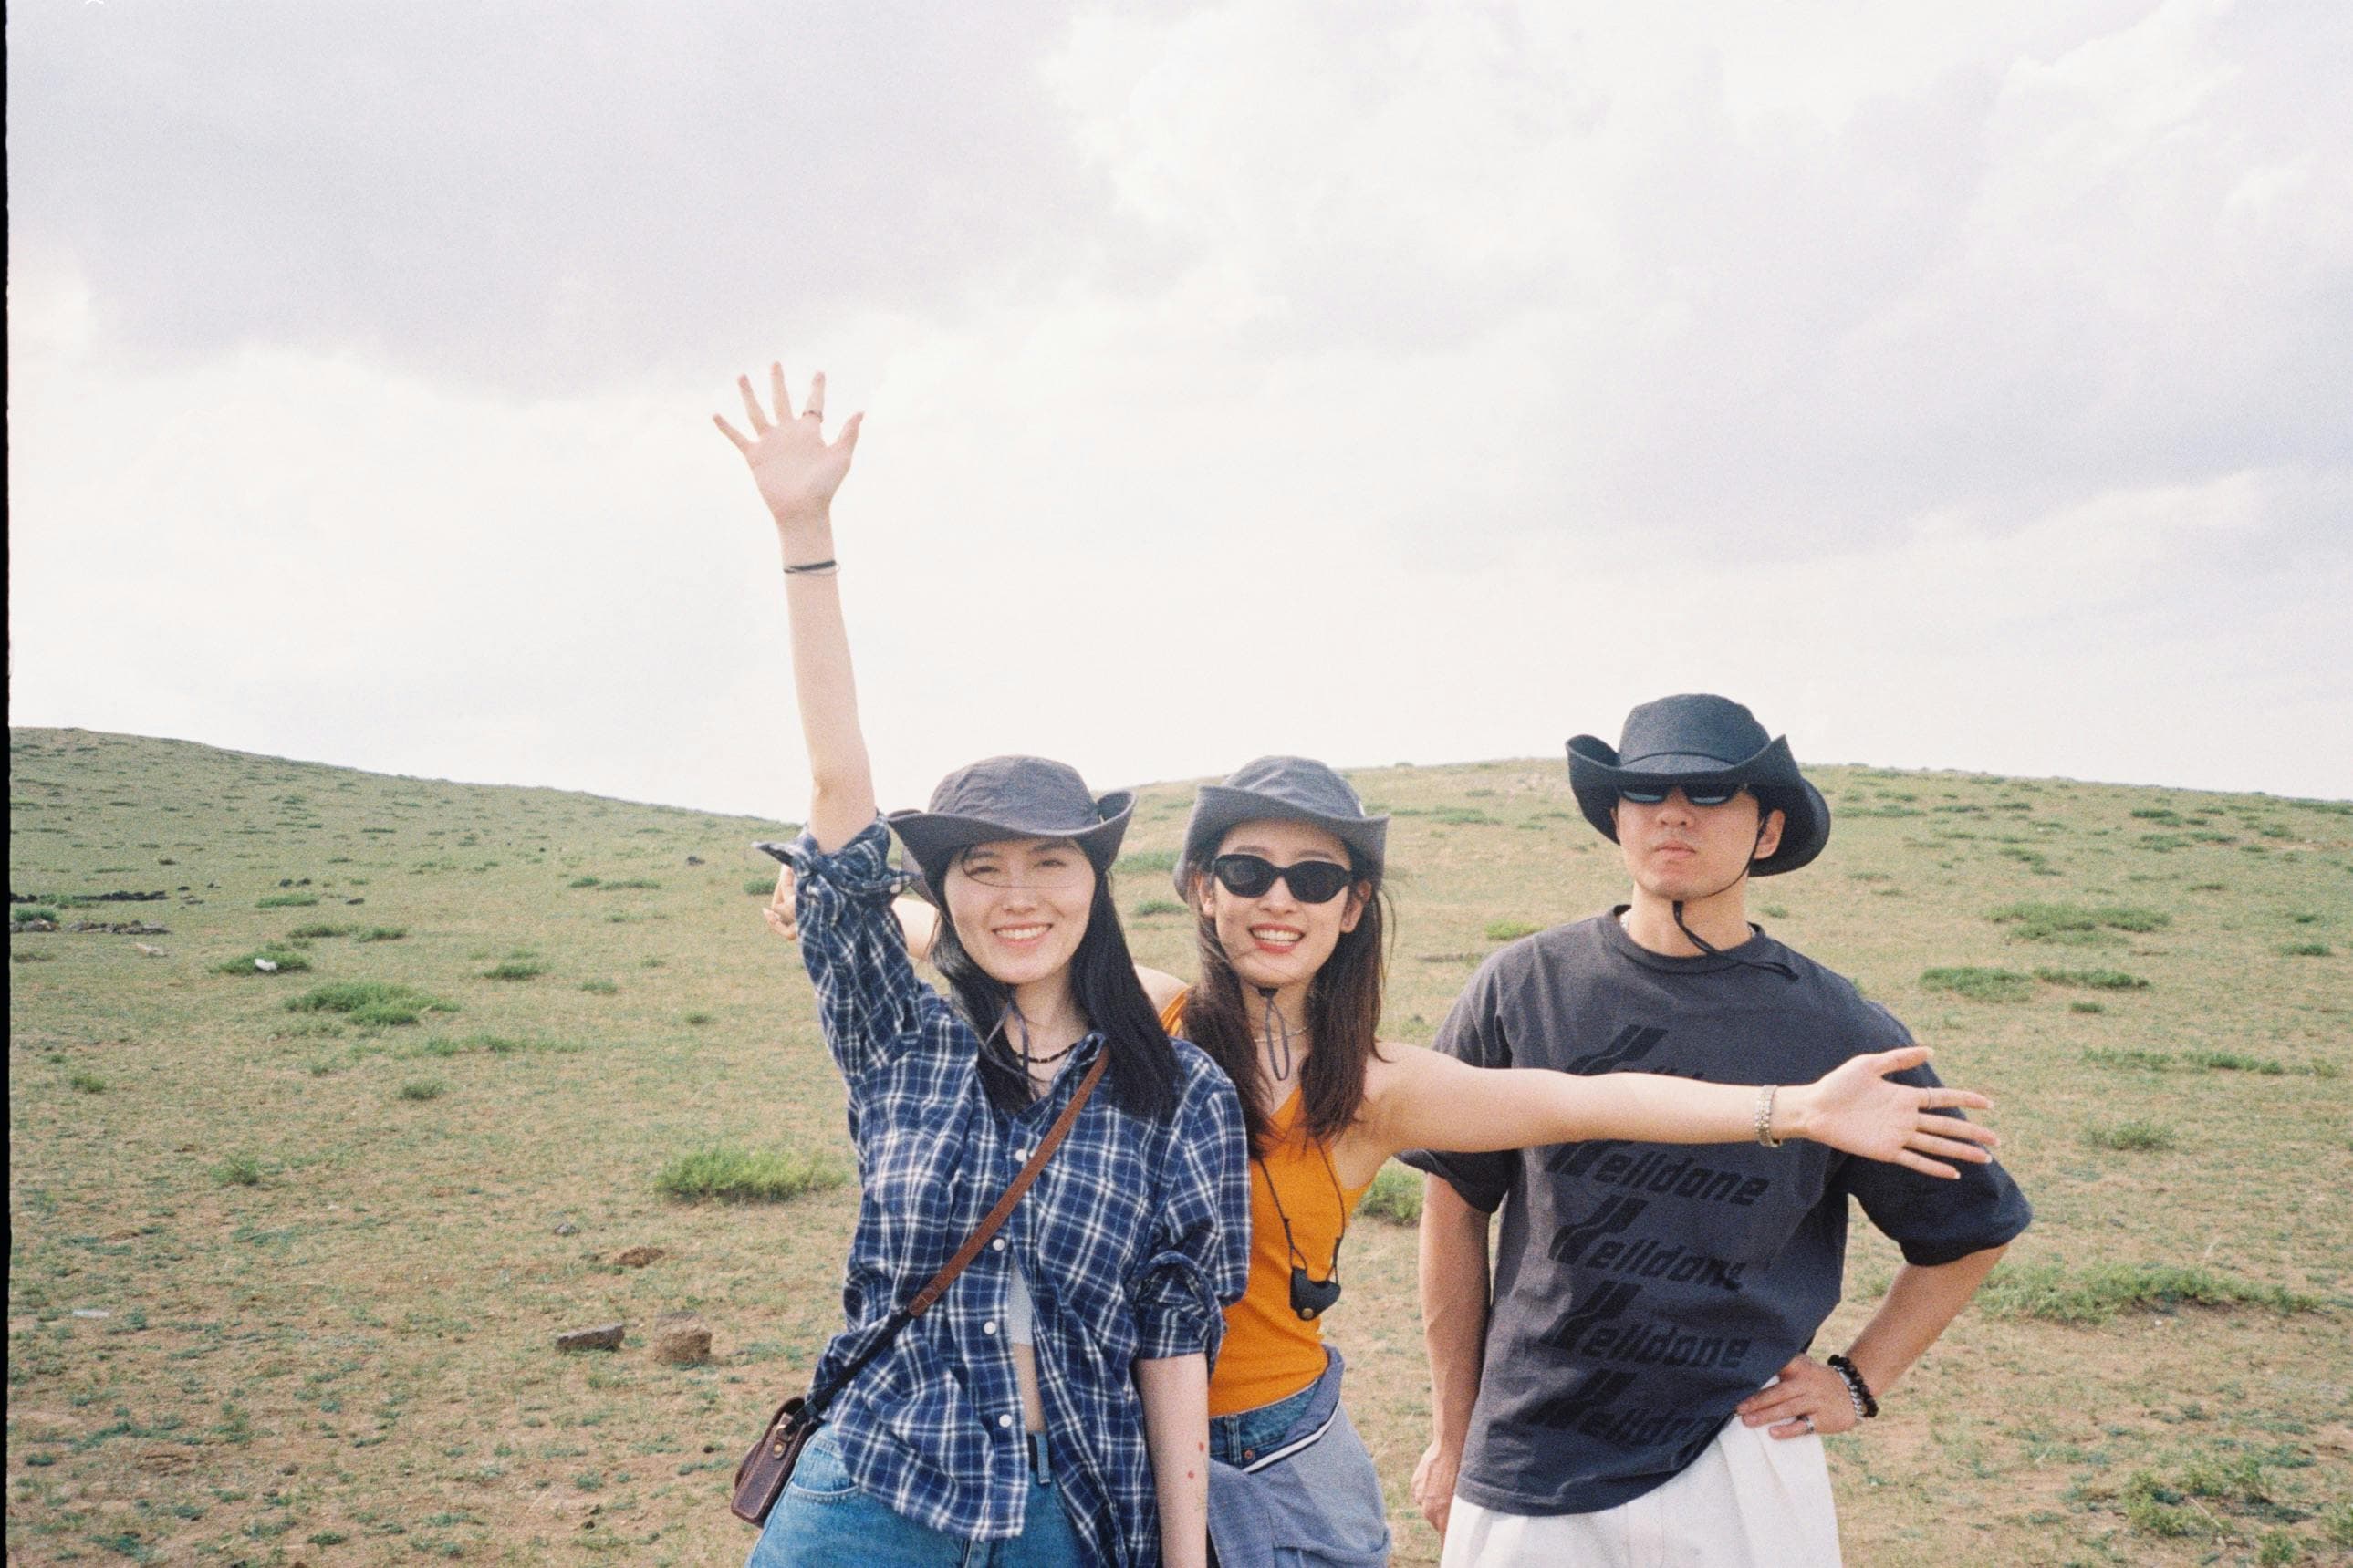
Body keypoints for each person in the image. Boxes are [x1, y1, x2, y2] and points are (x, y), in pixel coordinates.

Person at [776, 753, 2007, 1567]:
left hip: (1276, 1449)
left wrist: (1788, 1105)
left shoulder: (1373, 1087)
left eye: (1314, 876)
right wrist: (859, 908)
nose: (1278, 898)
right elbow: (987, 923)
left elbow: (1579, 1098)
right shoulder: (1138, 1020)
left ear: (1352, 905)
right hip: (1103, 1456)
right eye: (1247, 871)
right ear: (1199, 890)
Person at [716, 363, 1249, 1568]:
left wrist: (1181, 1553)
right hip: (868, 1490)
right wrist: (806, 535)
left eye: (1050, 864)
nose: (1018, 895)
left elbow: (1173, 1341)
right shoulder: (899, 1037)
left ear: (1094, 883)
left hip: (1063, 1508)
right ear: (942, 887)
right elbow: (837, 803)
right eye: (982, 867)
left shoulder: (1177, 1090)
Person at [1406, 694, 2034, 1567]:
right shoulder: (1523, 987)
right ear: (1615, 819)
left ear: (1767, 830)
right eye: (1645, 792)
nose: (1671, 811)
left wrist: (1859, 1379)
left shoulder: (1840, 1028)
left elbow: (1971, 1228)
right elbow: (1453, 1210)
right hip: (1528, 1449)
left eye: (1709, 794)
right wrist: (1452, 1431)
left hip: (1737, 1447)